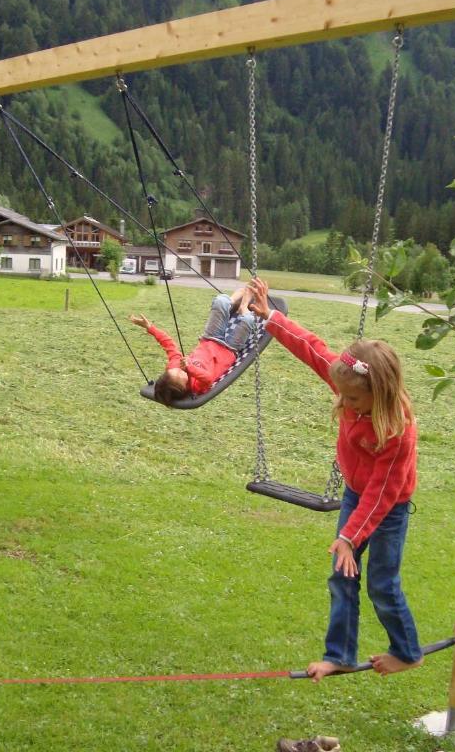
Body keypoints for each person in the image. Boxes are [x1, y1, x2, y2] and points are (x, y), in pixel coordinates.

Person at [247, 277, 423, 680]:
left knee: (381, 583)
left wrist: (349, 537)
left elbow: (382, 494)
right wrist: (272, 316)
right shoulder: (351, 385)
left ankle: (408, 650)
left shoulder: (397, 430)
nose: (344, 403)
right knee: (341, 576)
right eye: (342, 395)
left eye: (354, 400)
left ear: (381, 392)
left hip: (388, 509)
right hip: (355, 496)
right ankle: (340, 654)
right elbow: (312, 349)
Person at [130, 287, 255, 404]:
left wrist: (150, 328)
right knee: (248, 320)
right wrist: (190, 368)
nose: (180, 369)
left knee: (220, 301)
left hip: (210, 338)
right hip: (229, 348)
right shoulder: (197, 386)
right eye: (181, 375)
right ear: (185, 387)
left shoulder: (174, 367)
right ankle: (243, 307)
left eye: (175, 371)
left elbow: (169, 344)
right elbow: (208, 378)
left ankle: (232, 303)